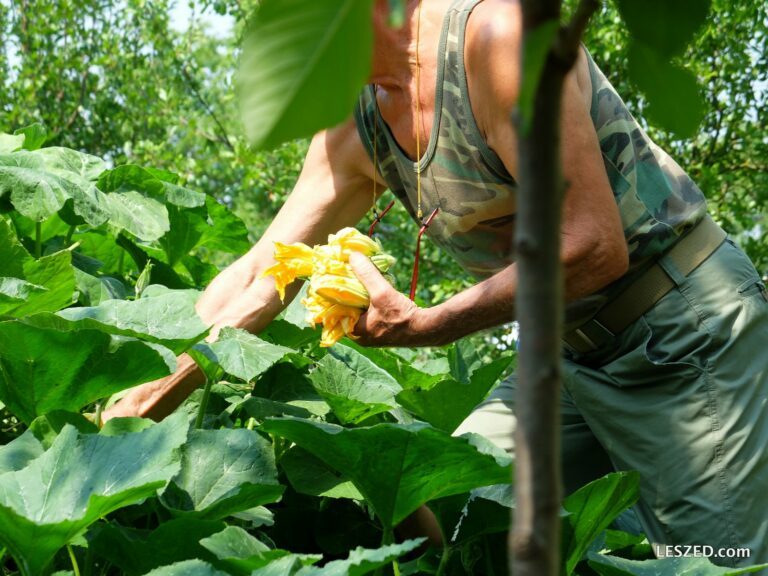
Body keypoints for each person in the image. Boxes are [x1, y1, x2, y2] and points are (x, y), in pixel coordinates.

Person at [104, 0, 768, 567]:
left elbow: (593, 245)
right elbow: (262, 268)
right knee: (447, 516)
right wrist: (141, 395)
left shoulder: (496, 38)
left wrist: (425, 325)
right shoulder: (355, 119)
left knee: (715, 570)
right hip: (565, 359)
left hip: (684, 331)